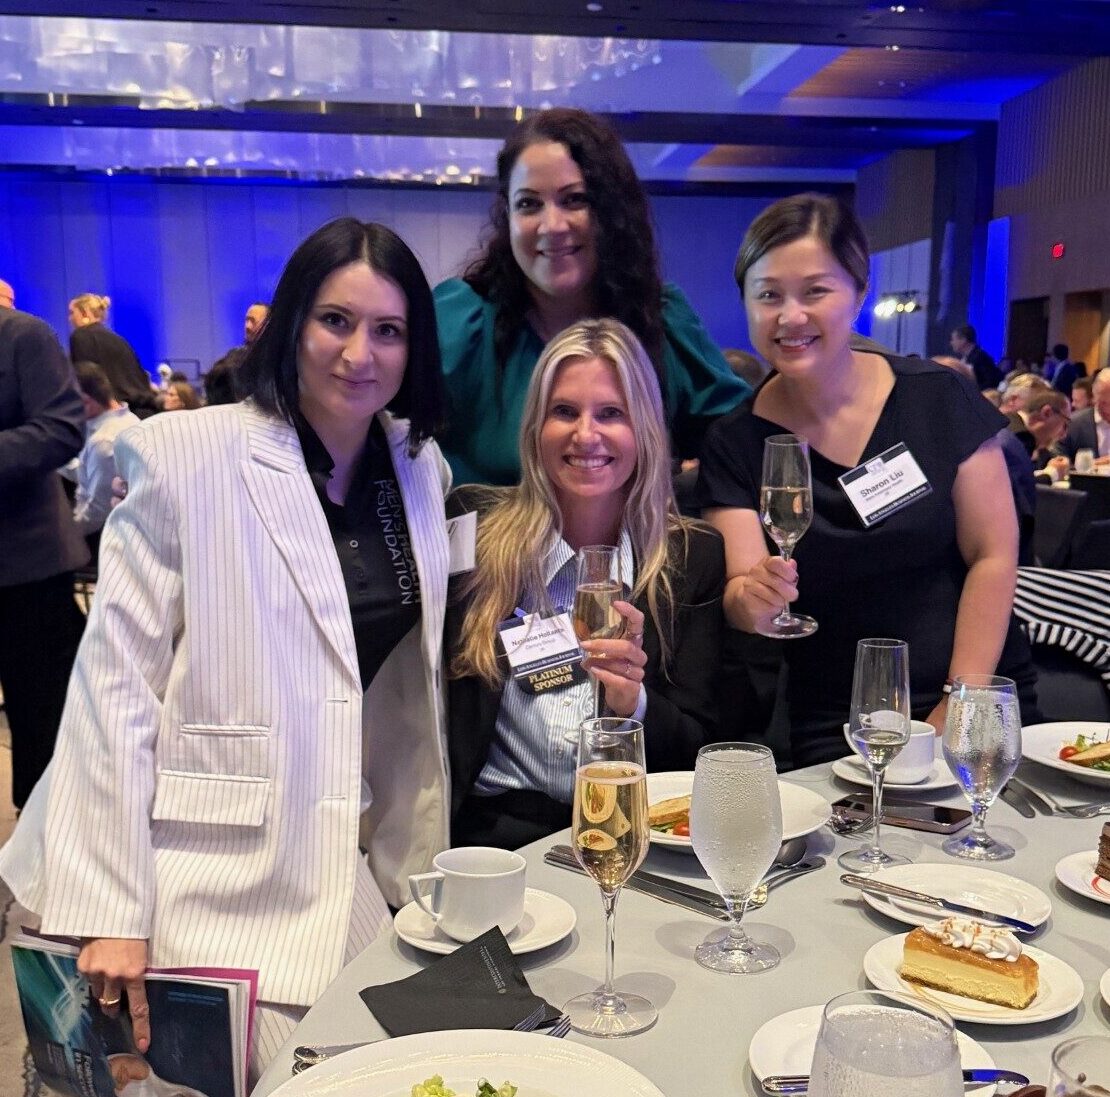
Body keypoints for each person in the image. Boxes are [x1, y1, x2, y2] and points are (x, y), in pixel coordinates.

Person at [0, 218, 452, 1082]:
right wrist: (112, 907)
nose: (359, 353)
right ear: (292, 321)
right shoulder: (187, 454)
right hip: (186, 861)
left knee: (385, 1064)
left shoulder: (416, 468)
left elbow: (398, 683)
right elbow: (114, 686)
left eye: (388, 329)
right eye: (335, 320)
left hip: (330, 844)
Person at [697, 193, 1039, 766]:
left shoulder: (936, 398)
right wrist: (754, 601)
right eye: (769, 295)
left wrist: (960, 702)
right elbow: (740, 590)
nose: (790, 316)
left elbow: (993, 555)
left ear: (858, 293)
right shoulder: (735, 441)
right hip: (838, 716)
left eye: (815, 291)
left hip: (972, 687)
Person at [446, 318, 724, 848]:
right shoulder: (474, 530)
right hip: (490, 839)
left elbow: (701, 747)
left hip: (626, 836)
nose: (586, 435)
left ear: (644, 428)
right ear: (536, 426)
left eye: (611, 413)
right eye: (565, 411)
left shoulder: (691, 557)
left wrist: (633, 704)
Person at [434, 107, 749, 486]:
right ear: (507, 216)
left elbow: (745, 449)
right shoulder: (460, 324)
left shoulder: (661, 321)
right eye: (529, 204)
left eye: (574, 200)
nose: (552, 226)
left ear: (611, 210)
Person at [0, 306, 89, 810]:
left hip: (26, 565)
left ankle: (45, 830)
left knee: (42, 720)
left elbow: (61, 428)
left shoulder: (23, 336)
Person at [70, 361, 141, 543]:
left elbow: (97, 512)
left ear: (86, 401)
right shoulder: (131, 419)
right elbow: (89, 471)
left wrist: (64, 538)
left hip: (98, 538)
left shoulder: (103, 442)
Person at [68, 294, 160, 418]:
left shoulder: (80, 336)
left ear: (85, 313)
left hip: (114, 415)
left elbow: (86, 377)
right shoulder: (119, 340)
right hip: (143, 413)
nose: (70, 318)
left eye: (72, 313)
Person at [204, 302, 269, 406]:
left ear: (268, 324)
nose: (247, 326)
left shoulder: (277, 360)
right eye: (247, 320)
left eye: (253, 321)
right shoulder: (234, 356)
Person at [1061, 367, 1110, 464]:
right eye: (1103, 403)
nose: (1108, 409)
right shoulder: (1073, 424)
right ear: (1093, 397)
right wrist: (1096, 464)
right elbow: (1059, 458)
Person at [949, 324, 1001, 390]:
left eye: (953, 339)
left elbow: (991, 382)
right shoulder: (965, 358)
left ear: (963, 340)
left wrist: (971, 392)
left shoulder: (980, 357)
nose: (951, 343)